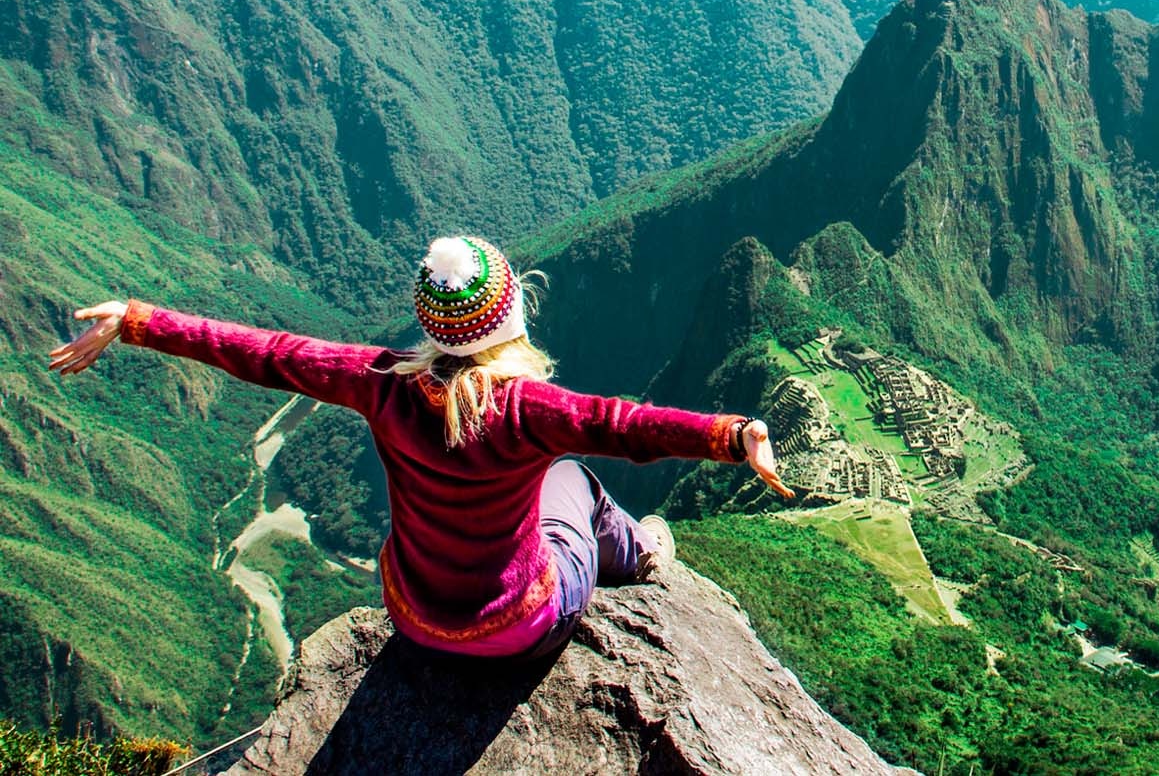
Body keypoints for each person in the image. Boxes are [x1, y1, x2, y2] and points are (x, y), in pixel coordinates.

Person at [46, 235, 792, 659]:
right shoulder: (526, 409)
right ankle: (643, 551)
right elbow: (622, 426)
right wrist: (734, 435)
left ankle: (628, 547)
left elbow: (263, 352)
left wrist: (139, 320)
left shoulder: (379, 383)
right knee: (573, 479)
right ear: (511, 321)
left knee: (555, 478)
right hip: (515, 626)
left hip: (415, 615)